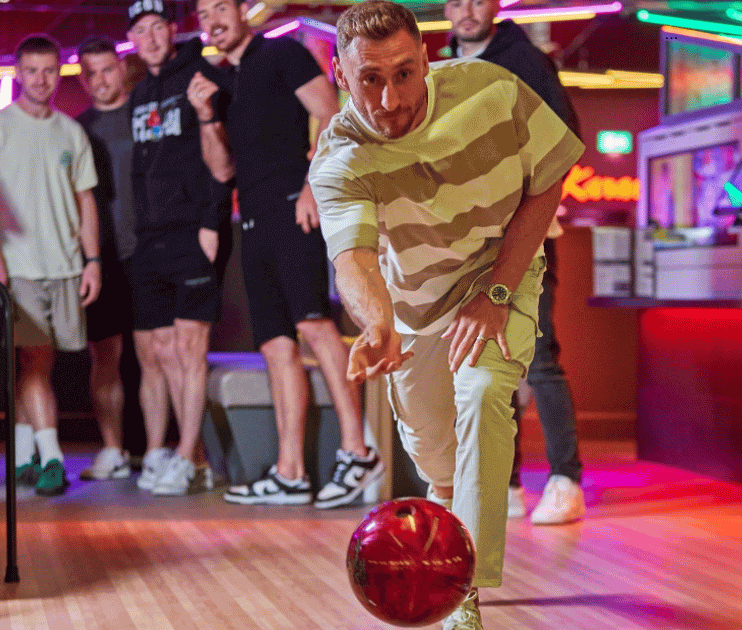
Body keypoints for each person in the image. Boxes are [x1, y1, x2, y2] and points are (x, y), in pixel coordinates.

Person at [311, 2, 584, 627]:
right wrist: (376, 324)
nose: (388, 99)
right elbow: (351, 258)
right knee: (435, 460)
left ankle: (464, 590)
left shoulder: (493, 92)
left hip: (501, 278)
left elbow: (547, 179)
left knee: (483, 392)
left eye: (404, 74)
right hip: (413, 307)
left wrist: (495, 292)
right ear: (340, 75)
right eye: (369, 79)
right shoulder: (340, 157)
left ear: (426, 61)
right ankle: (448, 514)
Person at [192, 0, 384, 509]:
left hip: (293, 211)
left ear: (240, 11)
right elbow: (222, 170)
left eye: (220, 8)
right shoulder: (221, 84)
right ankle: (290, 471)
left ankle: (357, 451)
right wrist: (206, 115)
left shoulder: (283, 55)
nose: (212, 19)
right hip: (252, 219)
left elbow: (333, 114)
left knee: (316, 326)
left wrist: (310, 187)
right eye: (203, 13)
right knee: (276, 346)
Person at [445, 0, 585, 524]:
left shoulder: (525, 60)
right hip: (469, 237)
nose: (466, 10)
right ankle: (502, 482)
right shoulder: (442, 65)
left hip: (528, 231)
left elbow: (565, 140)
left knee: (538, 355)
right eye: (455, 1)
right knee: (484, 357)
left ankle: (566, 479)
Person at [0, 34, 102, 497]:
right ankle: (53, 460)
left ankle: (22, 456)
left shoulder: (71, 132)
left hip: (65, 265)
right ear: (17, 74)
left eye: (49, 70)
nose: (40, 80)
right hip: (19, 267)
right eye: (31, 71)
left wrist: (93, 261)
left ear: (57, 73)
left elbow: (86, 202)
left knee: (37, 366)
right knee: (36, 361)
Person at [125, 0, 232, 495]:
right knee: (162, 350)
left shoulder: (202, 74)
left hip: (195, 230)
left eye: (156, 27)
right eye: (139, 30)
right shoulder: (140, 93)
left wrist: (212, 222)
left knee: (191, 348)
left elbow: (223, 156)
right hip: (151, 239)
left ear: (172, 29)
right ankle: (181, 453)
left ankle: (188, 457)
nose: (148, 37)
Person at [75, 36, 138, 481]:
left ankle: (163, 451)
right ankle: (113, 448)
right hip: (102, 257)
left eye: (107, 69)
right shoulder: (76, 130)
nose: (101, 80)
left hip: (151, 250)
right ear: (83, 80)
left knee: (162, 356)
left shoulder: (148, 116)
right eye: (91, 73)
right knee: (105, 356)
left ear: (122, 69)